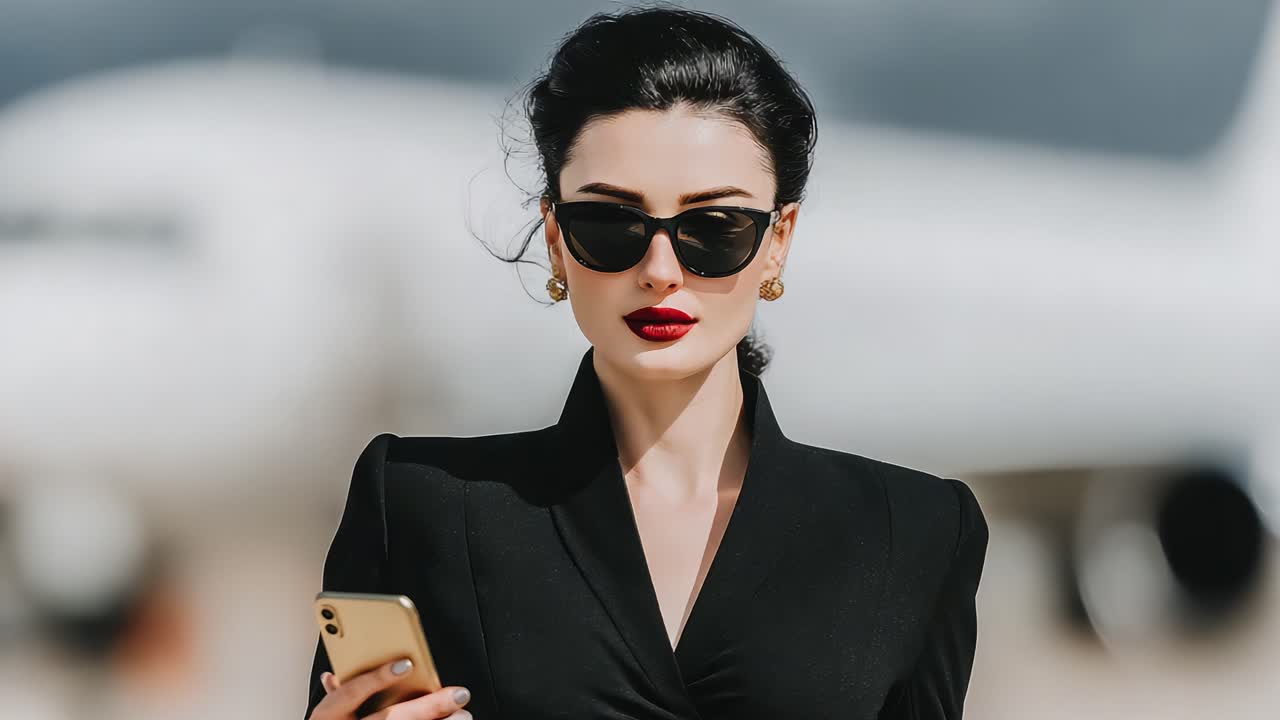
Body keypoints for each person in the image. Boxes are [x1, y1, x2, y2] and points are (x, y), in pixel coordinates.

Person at [304, 5, 988, 719]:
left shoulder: (913, 531)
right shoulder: (420, 505)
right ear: (555, 236)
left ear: (778, 239)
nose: (661, 269)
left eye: (713, 228)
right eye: (611, 224)